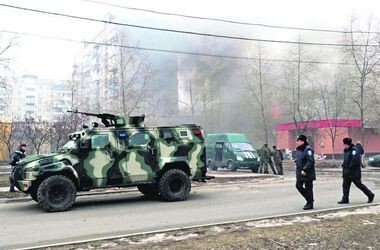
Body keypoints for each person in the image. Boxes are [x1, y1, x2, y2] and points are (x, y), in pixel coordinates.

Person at [338, 137, 375, 204]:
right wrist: (343, 165)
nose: (343, 145)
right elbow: (346, 160)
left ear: (347, 144)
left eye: (344, 144)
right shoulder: (346, 151)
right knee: (345, 186)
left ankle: (370, 195)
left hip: (353, 173)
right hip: (346, 173)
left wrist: (349, 167)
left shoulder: (354, 150)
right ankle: (345, 199)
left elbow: (355, 160)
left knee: (359, 185)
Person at [295, 134, 316, 210]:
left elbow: (311, 161)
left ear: (303, 141)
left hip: (307, 173)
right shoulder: (298, 149)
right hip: (300, 172)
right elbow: (301, 158)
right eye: (297, 141)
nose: (297, 142)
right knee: (298, 186)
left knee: (308, 188)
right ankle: (309, 199)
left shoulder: (308, 150)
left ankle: (310, 204)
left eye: (299, 141)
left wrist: (305, 169)